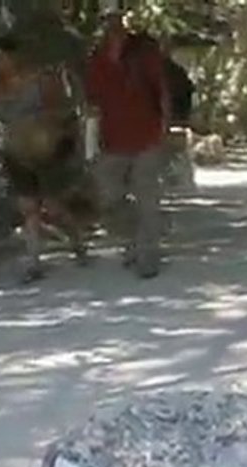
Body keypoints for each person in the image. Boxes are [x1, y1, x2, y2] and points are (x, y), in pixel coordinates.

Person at [0, 34, 90, 282]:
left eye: (0, 56)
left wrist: (52, 127)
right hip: (15, 150)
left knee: (53, 207)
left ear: (13, 55)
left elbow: (63, 110)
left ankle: (77, 241)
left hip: (45, 148)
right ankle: (33, 262)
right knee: (29, 208)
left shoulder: (39, 79)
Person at [85, 9, 170, 279]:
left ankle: (148, 256)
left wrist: (164, 130)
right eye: (106, 21)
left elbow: (162, 92)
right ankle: (134, 238)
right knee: (108, 198)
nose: (112, 26)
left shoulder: (144, 56)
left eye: (116, 20)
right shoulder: (97, 60)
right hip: (112, 140)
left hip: (146, 136)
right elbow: (92, 101)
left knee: (147, 199)